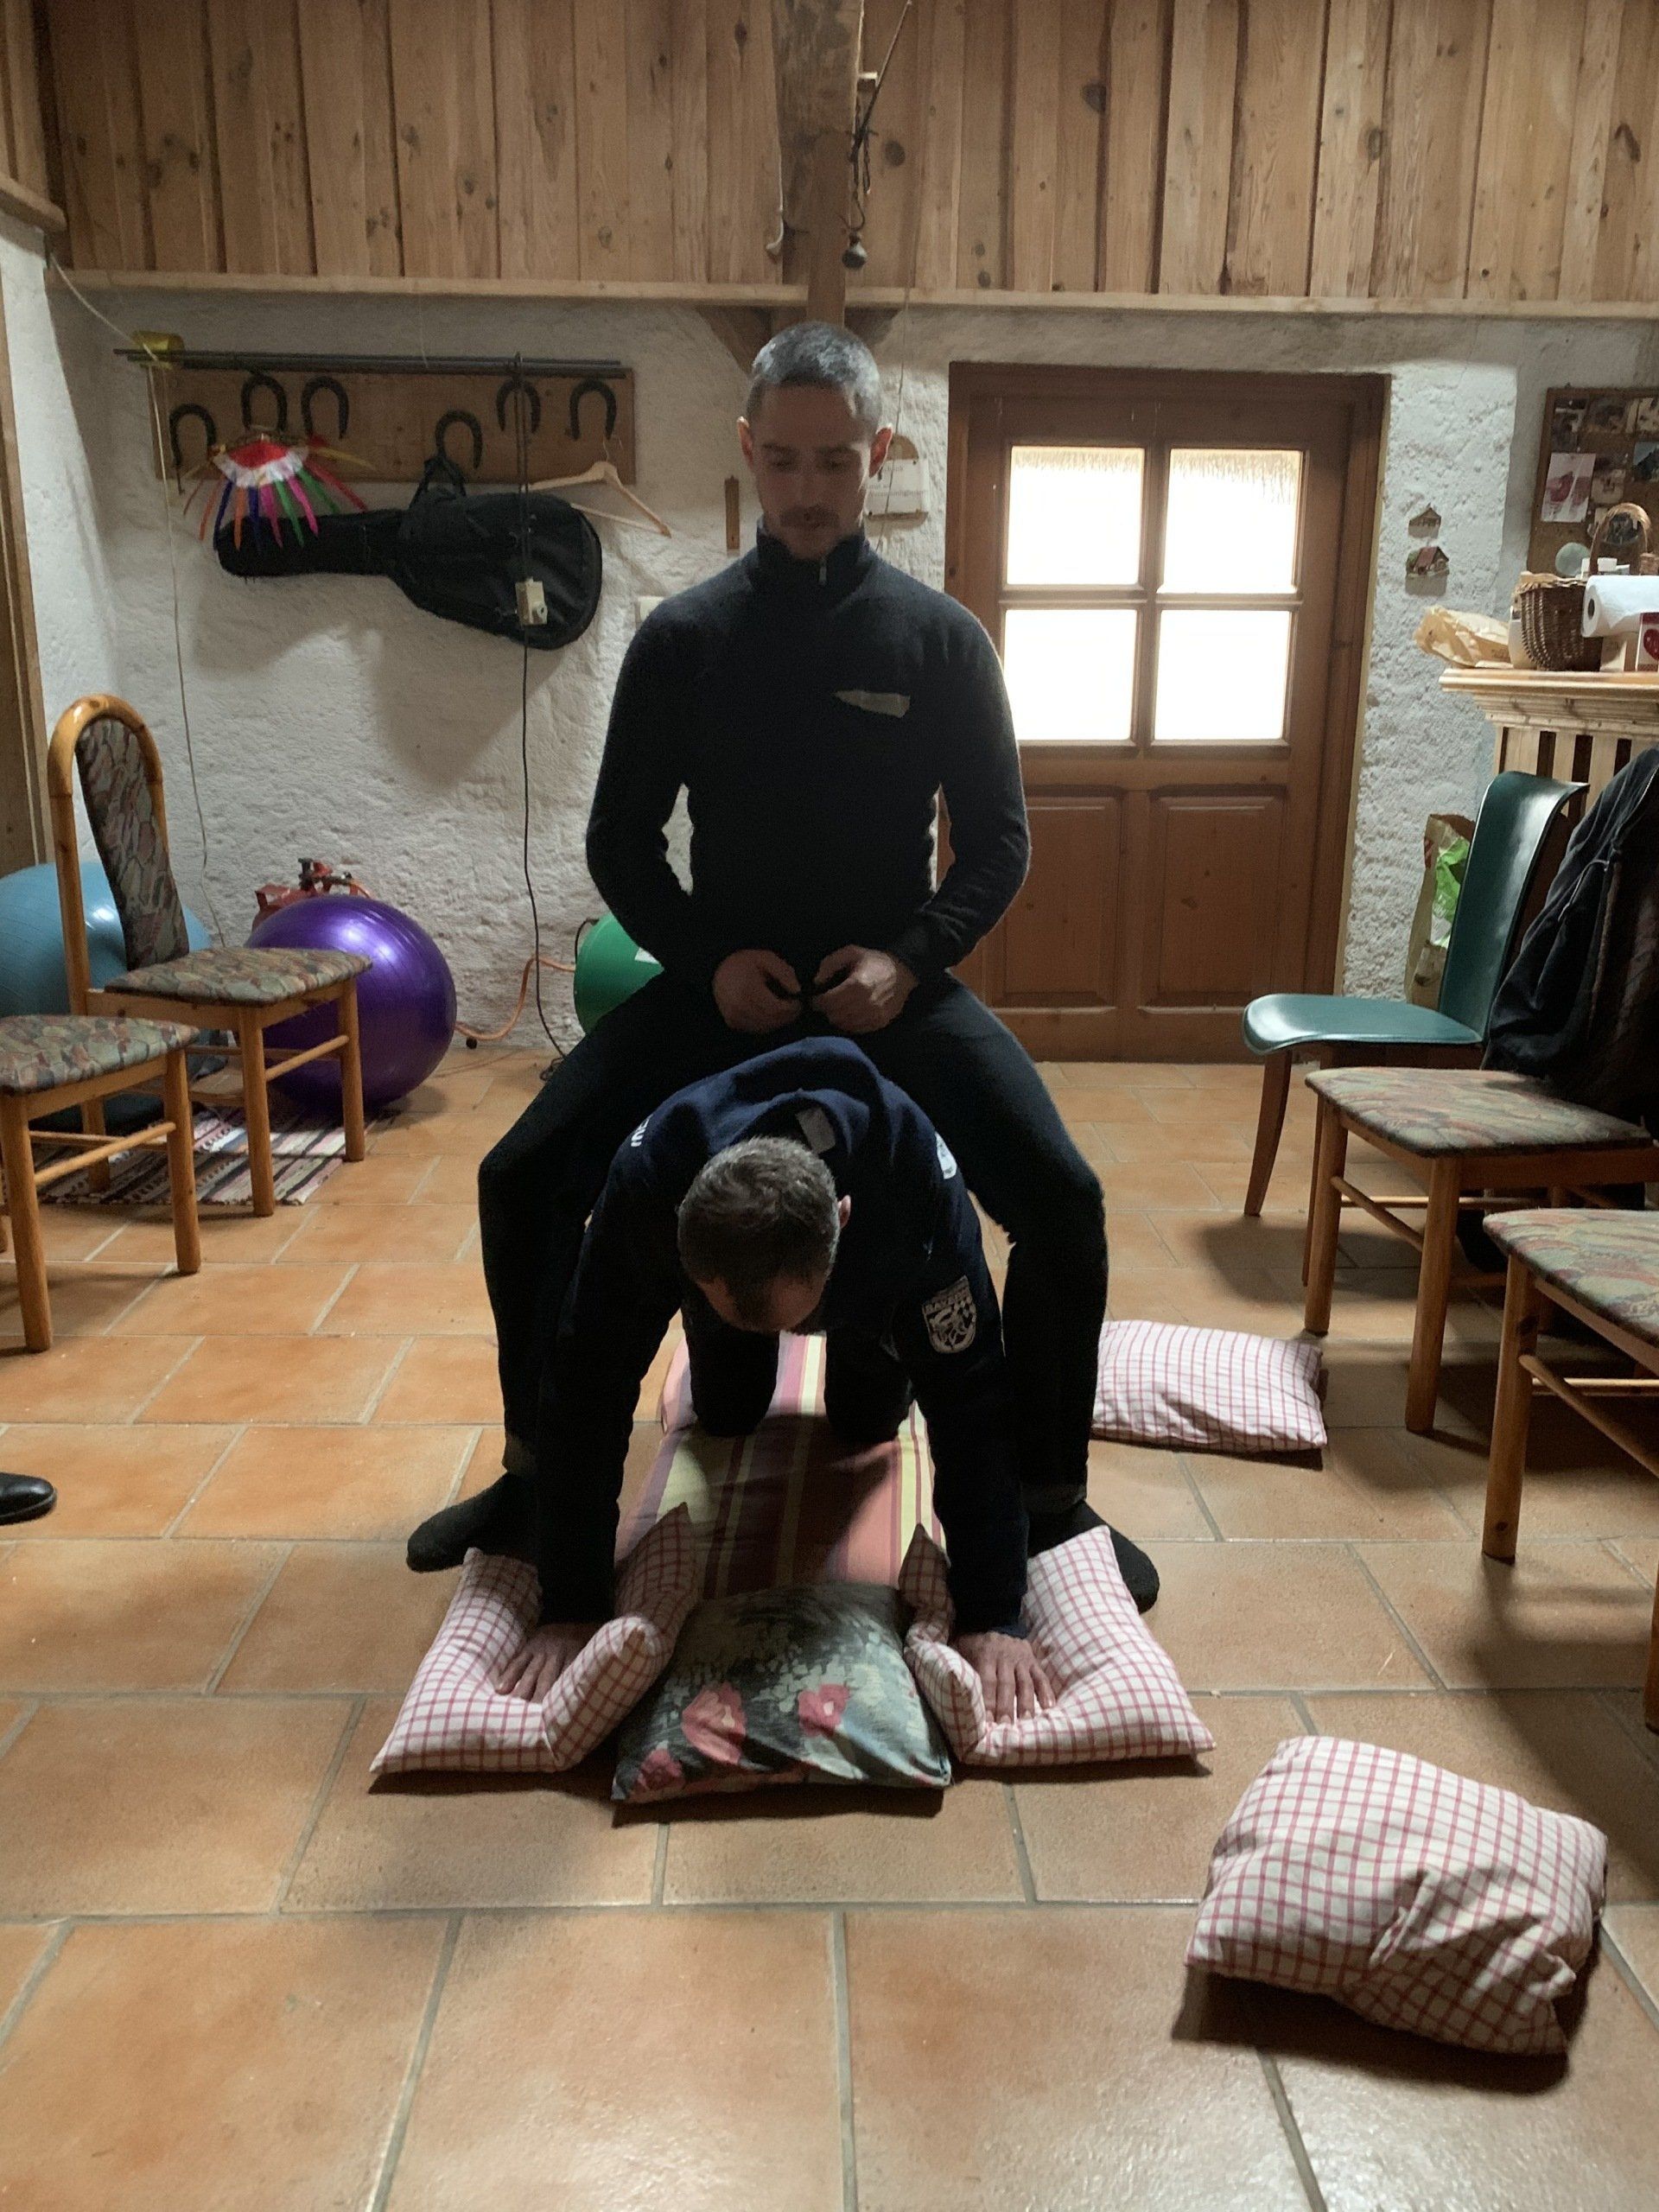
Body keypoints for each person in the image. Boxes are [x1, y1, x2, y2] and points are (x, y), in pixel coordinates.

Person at [410, 318, 1155, 1608]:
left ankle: (1047, 1504)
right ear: (750, 451)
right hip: (725, 990)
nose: (810, 490)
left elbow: (998, 846)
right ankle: (536, 1480)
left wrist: (909, 963)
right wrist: (706, 963)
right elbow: (619, 841)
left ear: (880, 454)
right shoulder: (684, 638)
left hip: (889, 993)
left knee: (1066, 1201)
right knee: (521, 1176)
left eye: (838, 462)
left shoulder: (940, 641)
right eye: (787, 460)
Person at [496, 1039, 1053, 1724]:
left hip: (868, 1287)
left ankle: (841, 1338)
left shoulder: (912, 1188)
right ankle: (724, 1334)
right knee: (728, 1412)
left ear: (841, 1219)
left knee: (867, 1422)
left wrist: (992, 1612)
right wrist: (572, 1606)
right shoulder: (649, 1182)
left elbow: (975, 1402)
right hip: (734, 1278)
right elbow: (584, 1389)